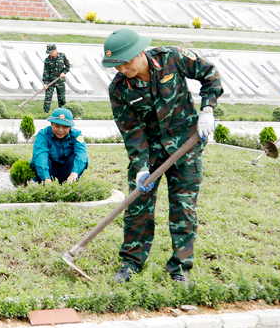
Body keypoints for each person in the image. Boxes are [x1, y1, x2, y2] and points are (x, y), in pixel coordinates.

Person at [103, 28, 222, 285]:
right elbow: (132, 132)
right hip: (151, 152)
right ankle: (131, 263)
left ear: (139, 53)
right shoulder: (119, 89)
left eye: (125, 62)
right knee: (138, 207)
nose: (122, 69)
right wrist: (140, 167)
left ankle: (180, 267)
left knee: (184, 208)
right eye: (116, 66)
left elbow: (210, 75)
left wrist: (208, 109)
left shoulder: (172, 58)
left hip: (186, 146)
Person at [31, 108, 88, 185]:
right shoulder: (43, 135)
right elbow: (41, 156)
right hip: (48, 170)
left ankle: (71, 184)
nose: (61, 130)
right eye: (57, 126)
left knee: (78, 158)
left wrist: (74, 172)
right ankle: (44, 184)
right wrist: (46, 178)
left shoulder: (76, 135)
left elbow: (82, 154)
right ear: (51, 124)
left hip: (67, 170)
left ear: (70, 126)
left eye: (65, 127)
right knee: (37, 160)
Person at [42, 43, 71, 113]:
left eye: (51, 52)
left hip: (60, 81)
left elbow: (68, 66)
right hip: (50, 82)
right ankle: (45, 112)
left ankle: (63, 112)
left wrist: (64, 72)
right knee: (48, 98)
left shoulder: (62, 56)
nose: (50, 54)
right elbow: (45, 72)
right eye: (49, 52)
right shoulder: (47, 60)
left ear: (55, 50)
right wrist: (45, 83)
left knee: (62, 98)